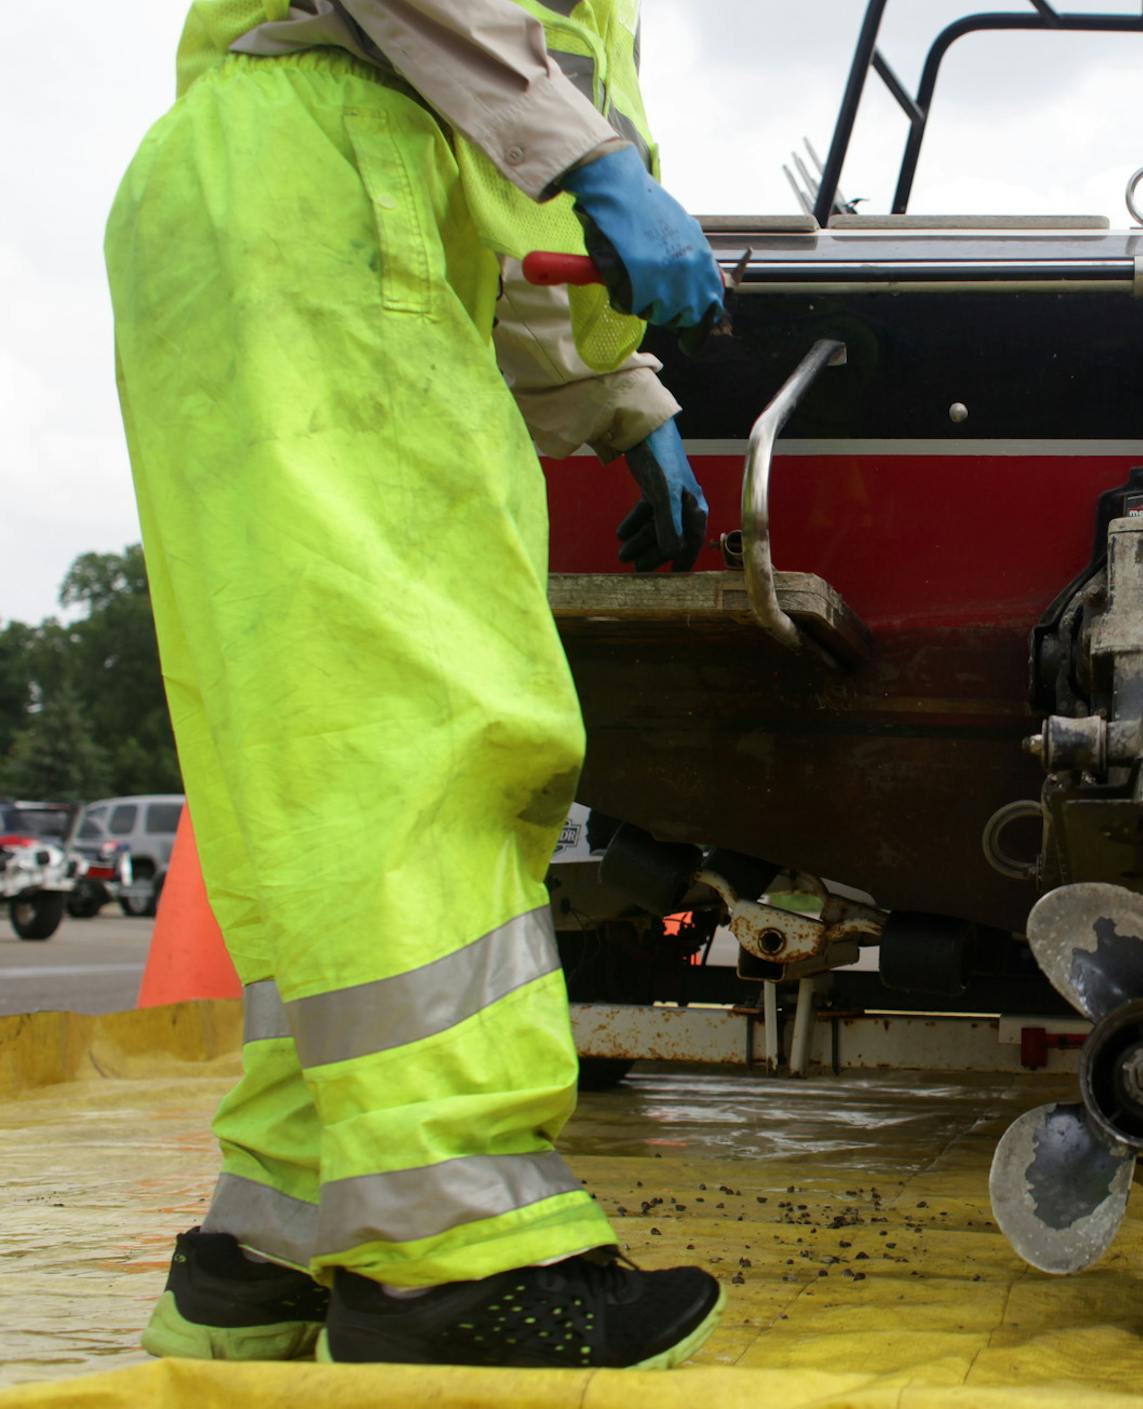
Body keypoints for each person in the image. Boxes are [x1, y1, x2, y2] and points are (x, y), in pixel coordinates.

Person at [108, 0, 725, 1368]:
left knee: (314, 770)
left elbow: (497, 183)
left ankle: (267, 1242)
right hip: (334, 211)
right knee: (428, 739)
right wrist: (600, 164)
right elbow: (498, 114)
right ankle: (456, 1268)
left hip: (260, 208)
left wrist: (626, 402)